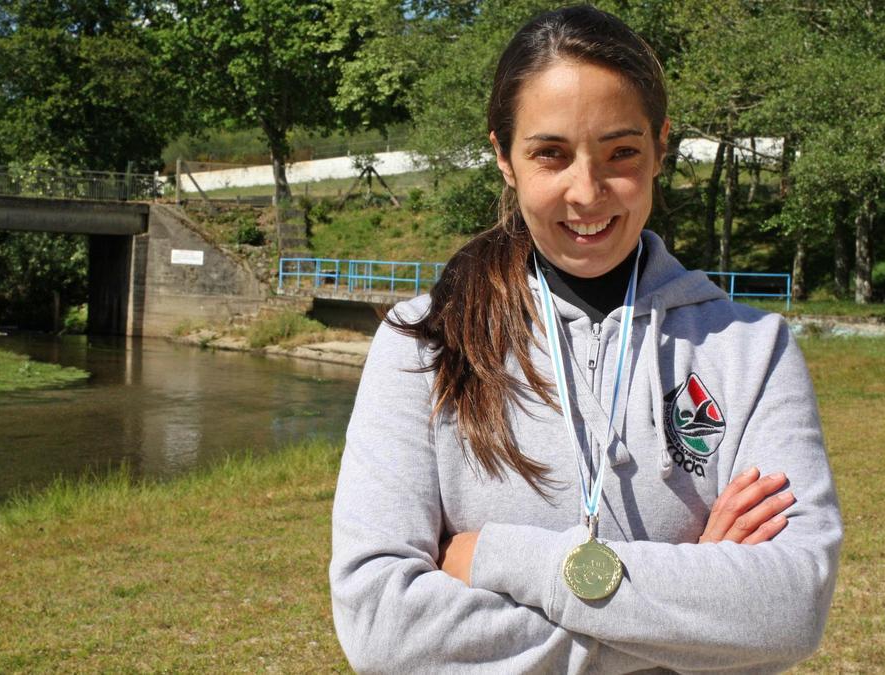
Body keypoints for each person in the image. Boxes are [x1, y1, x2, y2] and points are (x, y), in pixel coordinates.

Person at [329, 5, 842, 673]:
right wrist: (690, 613)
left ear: (660, 147)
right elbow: (382, 624)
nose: (587, 192)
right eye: (550, 154)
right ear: (504, 159)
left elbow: (790, 607)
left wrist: (495, 558)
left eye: (620, 152)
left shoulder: (753, 350)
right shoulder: (421, 345)